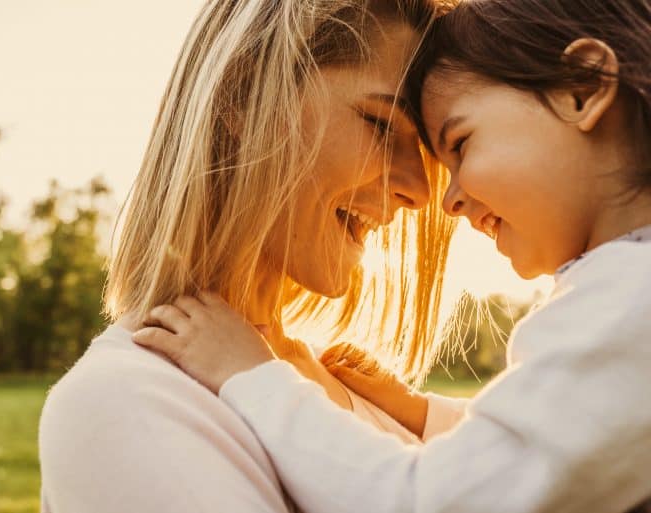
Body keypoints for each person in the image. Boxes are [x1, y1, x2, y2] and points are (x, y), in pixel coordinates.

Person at [132, 1, 651, 512]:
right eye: (382, 128)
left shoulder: (622, 302)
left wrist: (253, 377)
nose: (442, 200)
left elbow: (431, 502)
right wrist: (420, 414)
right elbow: (552, 458)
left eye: (461, 143)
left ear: (582, 90)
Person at [38, 1, 461, 512]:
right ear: (244, 97)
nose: (420, 190)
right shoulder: (127, 402)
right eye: (380, 124)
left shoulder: (351, 394)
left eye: (427, 154)